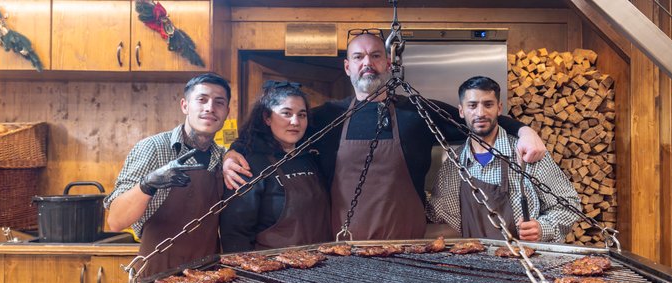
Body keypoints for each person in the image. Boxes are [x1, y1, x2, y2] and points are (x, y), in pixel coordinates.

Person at [223, 30, 547, 241]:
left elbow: (476, 118)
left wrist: (523, 130)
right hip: (339, 250)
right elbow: (270, 133)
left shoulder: (416, 111)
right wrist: (233, 152)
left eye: (376, 56)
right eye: (359, 57)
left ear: (389, 63)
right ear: (347, 67)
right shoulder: (325, 117)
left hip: (409, 248)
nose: (368, 63)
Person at [104, 72, 231, 283]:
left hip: (206, 280)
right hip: (157, 279)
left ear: (226, 112)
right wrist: (149, 184)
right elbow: (115, 219)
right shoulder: (154, 149)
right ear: (185, 104)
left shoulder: (221, 157)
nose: (209, 108)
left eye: (219, 102)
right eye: (202, 100)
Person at [427, 76, 581, 242]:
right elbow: (437, 213)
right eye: (472, 105)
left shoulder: (527, 154)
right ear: (461, 111)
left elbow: (569, 205)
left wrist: (543, 228)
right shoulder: (453, 165)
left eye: (488, 104)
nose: (480, 113)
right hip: (473, 262)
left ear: (499, 108)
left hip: (526, 261)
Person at [219, 80, 331, 251]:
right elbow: (235, 233)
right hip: (272, 268)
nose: (295, 122)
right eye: (286, 113)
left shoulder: (312, 157)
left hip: (320, 264)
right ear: (267, 118)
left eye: (302, 115)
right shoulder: (247, 164)